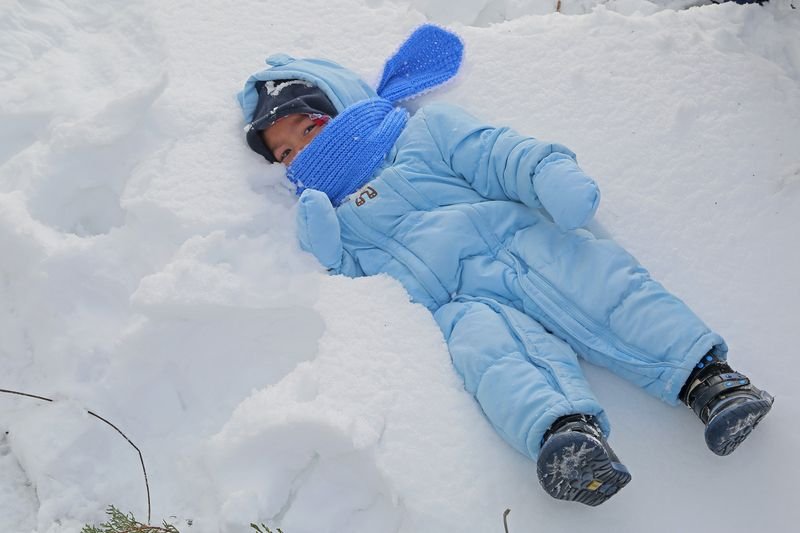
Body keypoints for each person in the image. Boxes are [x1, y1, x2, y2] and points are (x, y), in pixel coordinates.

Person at [237, 25, 773, 506]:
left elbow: (498, 153)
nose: (301, 154)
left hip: (520, 242)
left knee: (609, 295)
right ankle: (566, 437)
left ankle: (712, 381)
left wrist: (548, 174)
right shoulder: (336, 217)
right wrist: (330, 249)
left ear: (341, 104)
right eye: (284, 154)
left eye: (305, 129)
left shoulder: (425, 133)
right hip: (462, 303)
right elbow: (363, 289)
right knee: (495, 358)